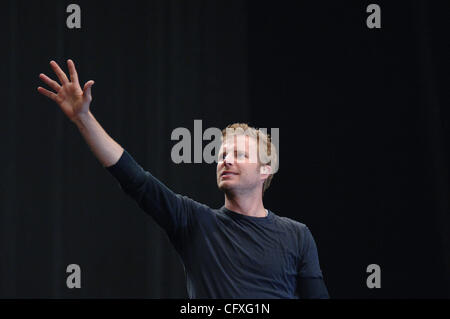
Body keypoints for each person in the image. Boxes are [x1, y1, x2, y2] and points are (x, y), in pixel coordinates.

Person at [37, 59, 329, 299]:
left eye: (239, 154)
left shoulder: (297, 235)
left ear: (265, 170)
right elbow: (135, 179)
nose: (225, 160)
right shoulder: (194, 222)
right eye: (222, 154)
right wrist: (83, 119)